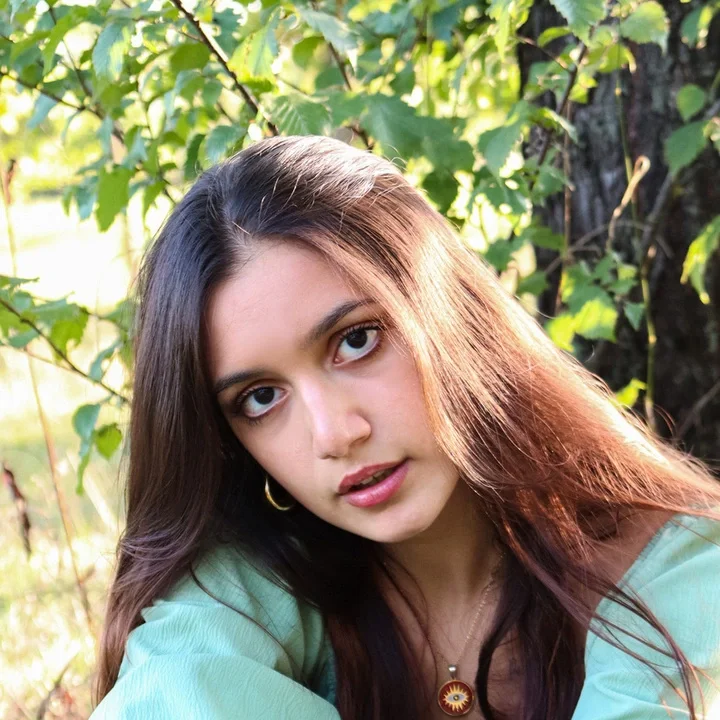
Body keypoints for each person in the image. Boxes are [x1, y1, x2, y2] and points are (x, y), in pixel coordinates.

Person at [91, 135, 720, 720]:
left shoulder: (676, 576)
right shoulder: (243, 595)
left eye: (356, 341)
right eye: (260, 398)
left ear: (448, 310)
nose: (334, 434)